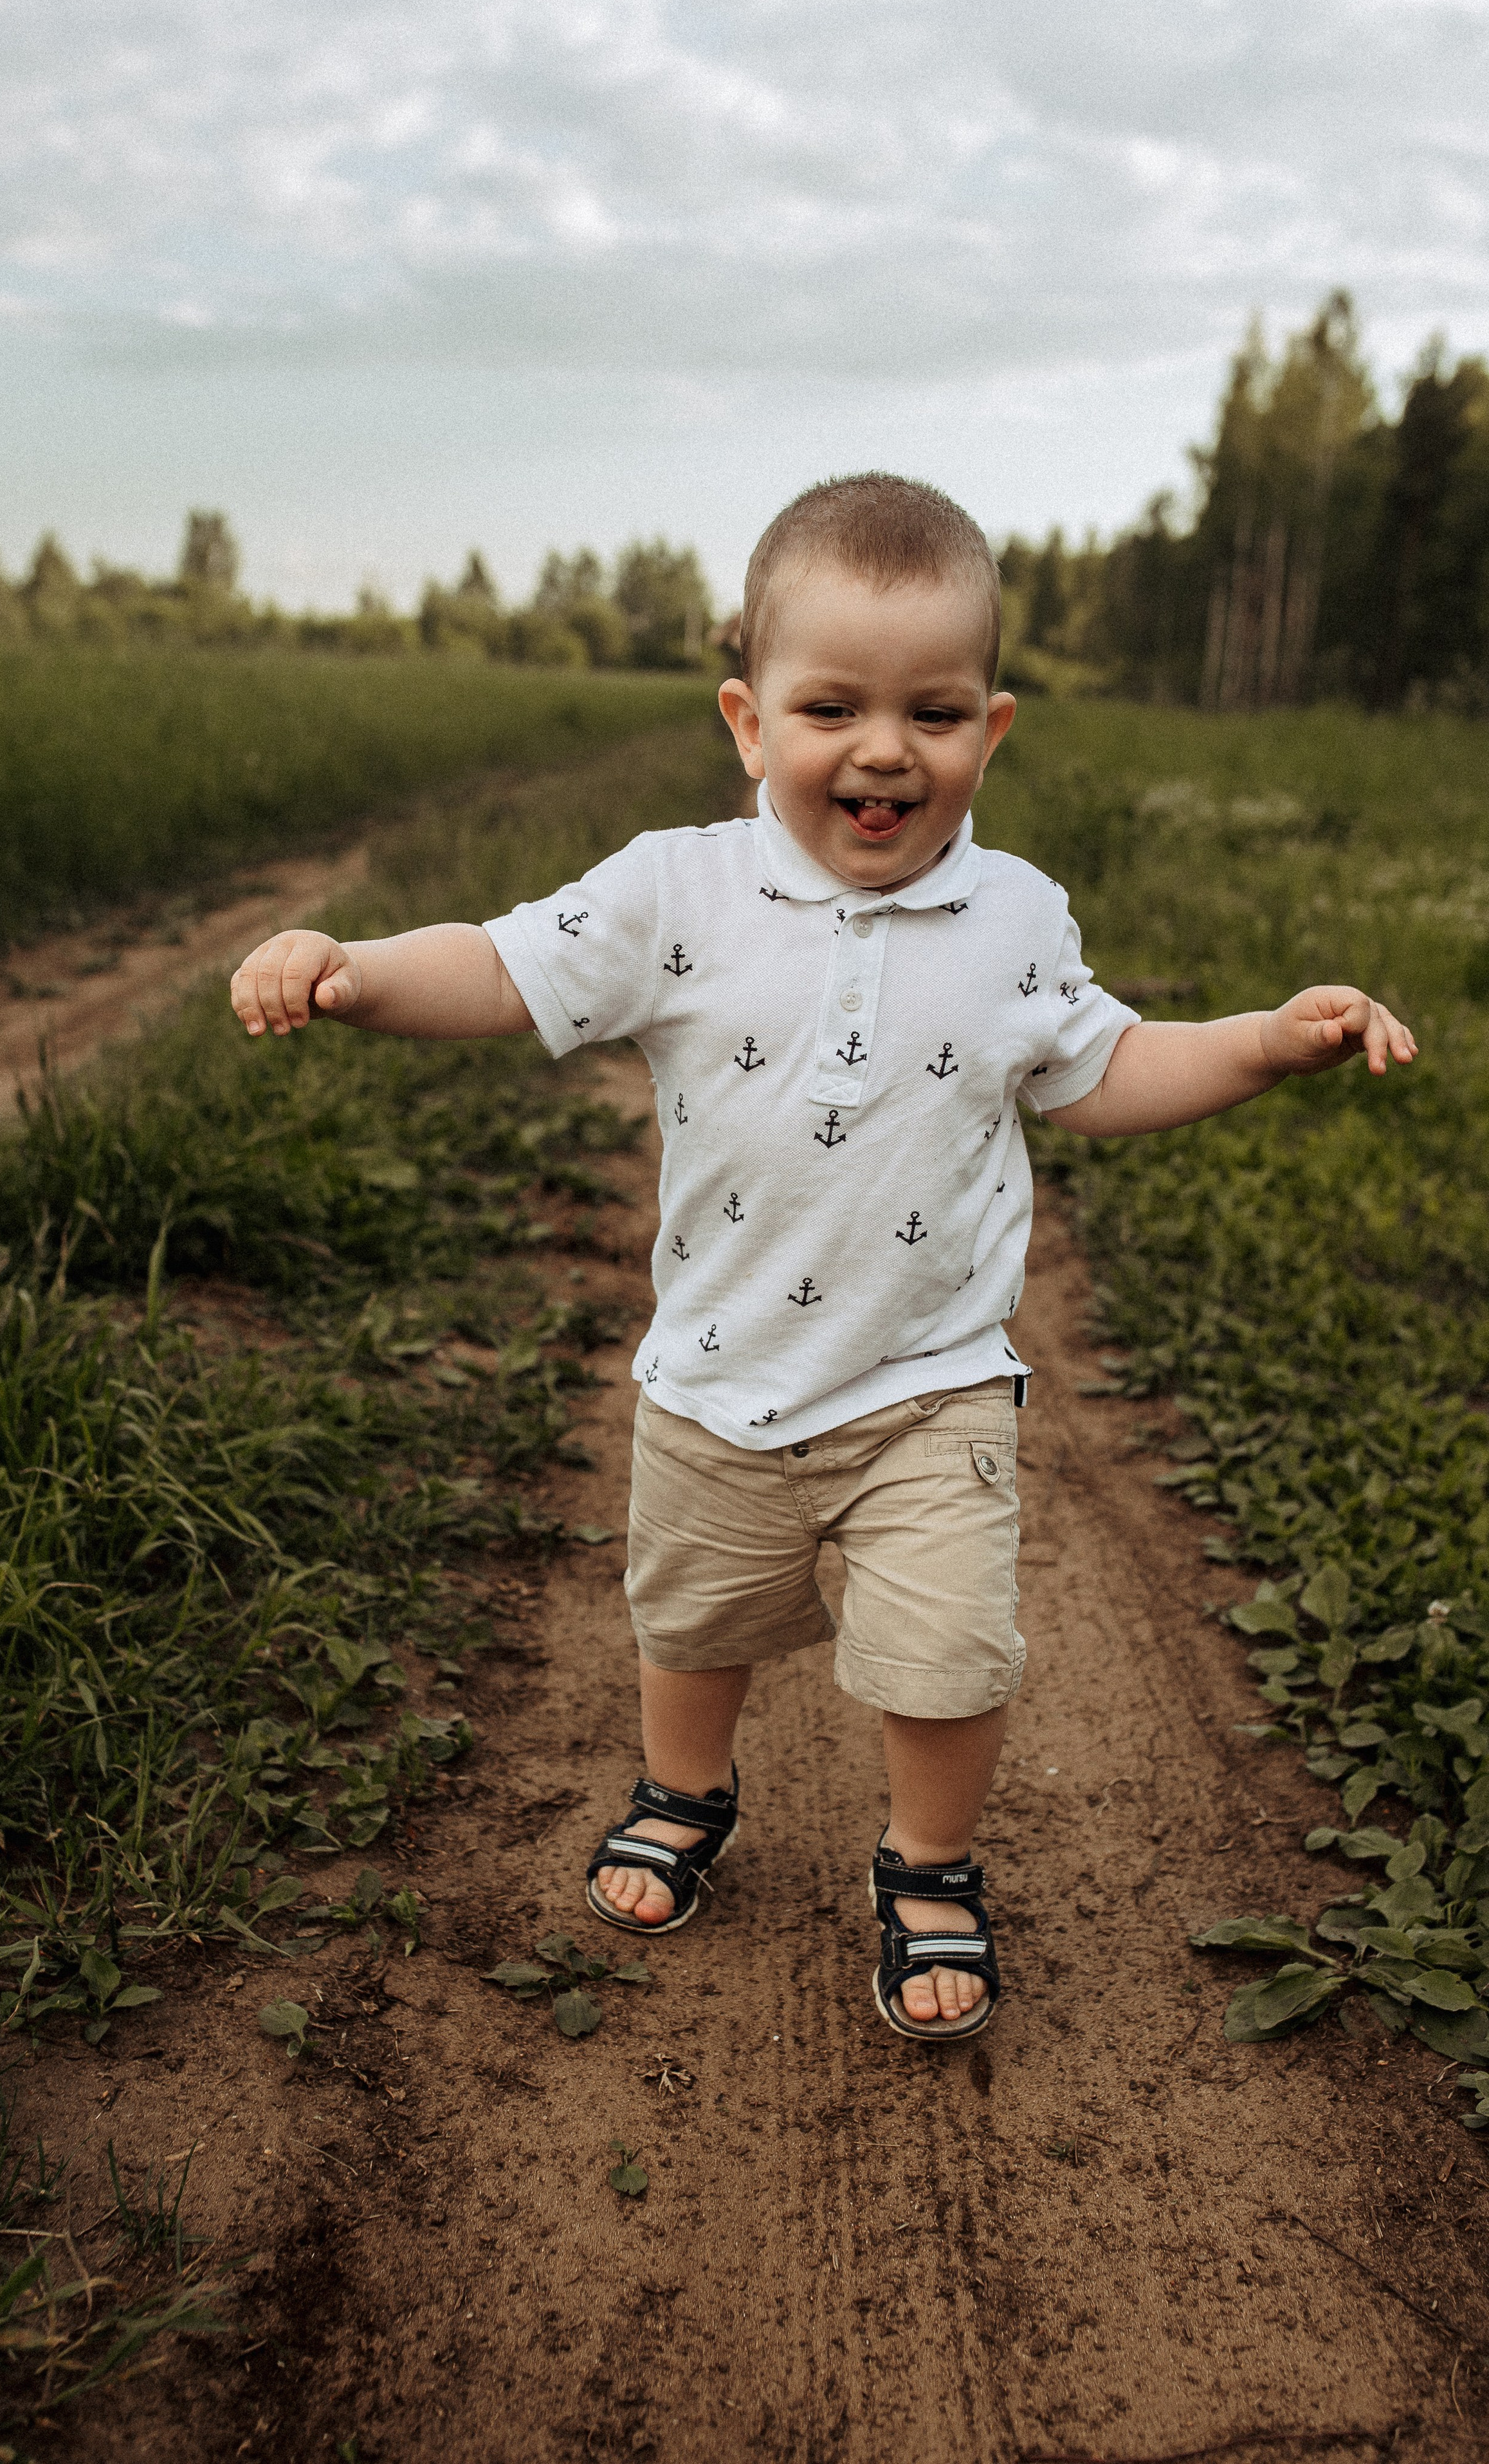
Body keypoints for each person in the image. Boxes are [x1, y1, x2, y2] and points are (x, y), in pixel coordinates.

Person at [229, 473, 1415, 2045]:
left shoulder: (1014, 918)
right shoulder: (676, 889)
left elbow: (1108, 1068)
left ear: (989, 733)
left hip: (932, 1383)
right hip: (718, 1370)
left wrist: (1264, 1042)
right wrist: (353, 970)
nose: (880, 749)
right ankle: (684, 1788)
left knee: (945, 1652)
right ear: (746, 720)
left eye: (930, 713)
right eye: (829, 706)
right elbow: (508, 970)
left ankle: (927, 1863)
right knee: (692, 1622)